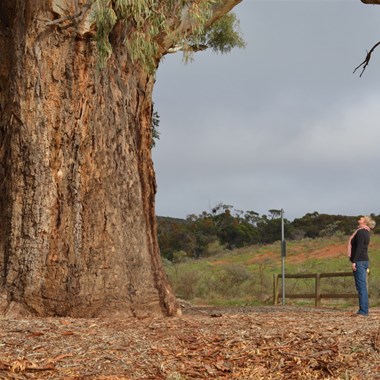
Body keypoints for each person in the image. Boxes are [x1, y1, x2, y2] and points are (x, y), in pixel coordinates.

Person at [348, 215, 376, 316]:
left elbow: (359, 247)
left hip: (359, 261)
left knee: (361, 286)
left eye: (361, 218)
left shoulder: (360, 232)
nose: (358, 219)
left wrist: (354, 261)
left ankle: (363, 311)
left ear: (364, 222)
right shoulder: (366, 232)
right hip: (364, 260)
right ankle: (364, 309)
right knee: (362, 286)